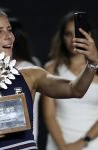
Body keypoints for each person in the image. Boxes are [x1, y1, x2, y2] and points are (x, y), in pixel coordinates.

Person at [0, 8, 98, 150]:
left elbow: (75, 89)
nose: (9, 37)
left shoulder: (31, 75)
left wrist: (92, 63)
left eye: (9, 30)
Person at [41, 11, 98, 150]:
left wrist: (83, 141)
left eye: (78, 33)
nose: (73, 39)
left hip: (93, 142)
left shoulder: (96, 66)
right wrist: (63, 147)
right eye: (68, 34)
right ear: (61, 37)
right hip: (59, 143)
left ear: (89, 35)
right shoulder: (52, 68)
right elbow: (49, 115)